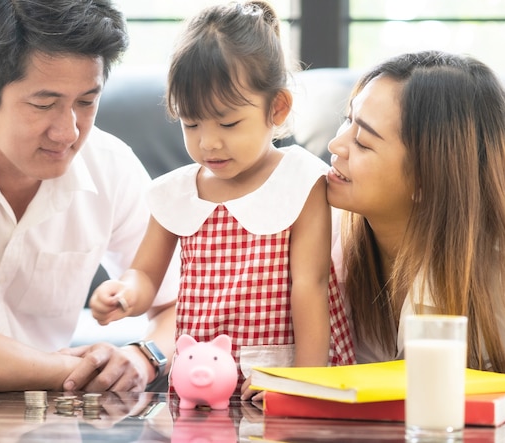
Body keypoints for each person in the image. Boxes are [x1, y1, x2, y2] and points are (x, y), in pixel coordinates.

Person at [0, 0, 180, 393]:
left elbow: (183, 305)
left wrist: (144, 358)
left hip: (48, 421)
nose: (68, 132)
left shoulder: (110, 166)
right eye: (43, 104)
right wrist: (77, 370)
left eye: (86, 102)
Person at [90, 0, 355, 399]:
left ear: (277, 108)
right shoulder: (175, 193)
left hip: (280, 373)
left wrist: (303, 381)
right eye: (191, 123)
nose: (208, 142)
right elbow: (146, 274)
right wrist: (125, 292)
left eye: (228, 123)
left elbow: (310, 285)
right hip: (200, 377)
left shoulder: (300, 180)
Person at [327, 50, 505, 373]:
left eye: (363, 142)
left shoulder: (499, 278)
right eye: (347, 119)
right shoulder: (320, 234)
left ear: (427, 178)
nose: (336, 146)